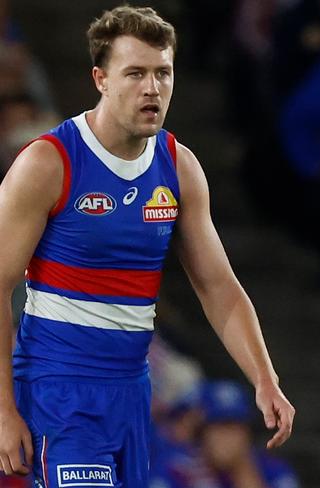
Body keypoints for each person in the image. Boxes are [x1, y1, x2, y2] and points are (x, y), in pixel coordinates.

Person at [0, 5, 294, 485]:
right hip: (59, 391)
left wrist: (265, 379)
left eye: (163, 73)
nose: (152, 88)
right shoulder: (49, 163)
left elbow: (218, 287)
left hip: (134, 394)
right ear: (101, 79)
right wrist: (3, 409)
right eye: (135, 73)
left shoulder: (179, 167)